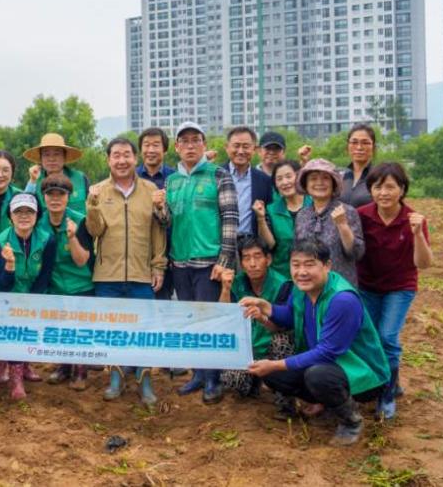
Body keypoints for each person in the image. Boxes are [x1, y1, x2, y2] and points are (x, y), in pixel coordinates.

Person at [240, 239, 389, 446]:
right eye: (296, 264)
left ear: (327, 265)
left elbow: (327, 352)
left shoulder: (342, 299)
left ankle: (351, 420)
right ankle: (326, 400)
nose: (301, 271)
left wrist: (274, 364)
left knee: (316, 375)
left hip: (362, 373)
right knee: (276, 376)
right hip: (329, 366)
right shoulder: (300, 290)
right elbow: (290, 316)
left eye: (309, 264)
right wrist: (265, 307)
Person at [85, 137, 168, 407]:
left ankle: (145, 381)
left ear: (135, 158)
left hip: (141, 274)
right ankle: (116, 378)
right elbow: (95, 231)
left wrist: (158, 265)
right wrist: (93, 205)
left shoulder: (150, 189)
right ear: (108, 160)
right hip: (107, 275)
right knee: (112, 330)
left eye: (126, 155)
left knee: (144, 329)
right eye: (116, 155)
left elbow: (158, 231)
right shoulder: (98, 191)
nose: (121, 160)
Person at [166, 122, 238, 404]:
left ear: (204, 144)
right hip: (180, 263)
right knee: (191, 321)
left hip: (209, 263)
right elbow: (169, 222)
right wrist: (160, 210)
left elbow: (231, 217)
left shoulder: (218, 175)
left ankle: (213, 379)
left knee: (210, 321)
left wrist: (225, 259)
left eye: (196, 140)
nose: (190, 145)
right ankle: (197, 374)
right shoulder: (172, 181)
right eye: (184, 141)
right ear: (177, 147)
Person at [357, 162, 433, 419]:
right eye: (378, 187)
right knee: (371, 338)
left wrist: (417, 235)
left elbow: (423, 264)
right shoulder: (362, 215)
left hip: (400, 287)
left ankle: (386, 395)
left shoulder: (413, 219)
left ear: (402, 189)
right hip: (367, 286)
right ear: (371, 190)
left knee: (387, 337)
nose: (384, 193)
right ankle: (390, 381)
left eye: (390, 187)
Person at [0, 193, 58, 400]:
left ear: (37, 215)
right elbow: (1, 282)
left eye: (29, 211)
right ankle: (15, 378)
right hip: (9, 296)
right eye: (18, 211)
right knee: (14, 334)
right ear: (10, 216)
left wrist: (34, 299)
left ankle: (25, 366)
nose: (23, 216)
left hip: (34, 294)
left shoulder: (48, 239)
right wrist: (10, 268)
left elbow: (46, 272)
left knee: (30, 332)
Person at [37, 174, 94, 390]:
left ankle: (80, 371)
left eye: (60, 194)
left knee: (80, 329)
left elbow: (81, 261)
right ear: (44, 197)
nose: (55, 199)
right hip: (55, 285)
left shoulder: (80, 221)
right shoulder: (39, 222)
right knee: (60, 328)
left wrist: (72, 237)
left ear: (68, 197)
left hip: (80, 284)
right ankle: (63, 367)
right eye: (50, 194)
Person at [219, 238, 293, 398]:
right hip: (247, 348)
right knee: (232, 380)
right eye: (246, 258)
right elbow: (224, 318)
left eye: (258, 256)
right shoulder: (236, 282)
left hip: (272, 350)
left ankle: (281, 392)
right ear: (242, 263)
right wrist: (225, 289)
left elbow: (283, 327)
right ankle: (255, 381)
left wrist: (262, 318)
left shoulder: (283, 285)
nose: (252, 263)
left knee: (283, 341)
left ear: (268, 259)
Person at [295, 159, 364, 286]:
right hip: (309, 287)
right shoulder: (302, 215)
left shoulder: (347, 211)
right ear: (306, 184)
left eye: (325, 178)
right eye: (313, 178)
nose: (319, 183)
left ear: (333, 183)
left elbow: (356, 253)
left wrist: (342, 225)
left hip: (339, 287)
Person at [136, 127, 177, 302]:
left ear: (165, 149)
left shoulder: (175, 179)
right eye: (146, 145)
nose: (151, 150)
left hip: (167, 253)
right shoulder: (132, 177)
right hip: (137, 251)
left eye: (156, 145)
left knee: (162, 303)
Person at [254, 160, 312, 281]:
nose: (285, 182)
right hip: (282, 275)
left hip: (312, 272)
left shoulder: (314, 204)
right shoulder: (271, 209)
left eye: (288, 176)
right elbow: (270, 244)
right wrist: (260, 218)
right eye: (279, 179)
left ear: (298, 177)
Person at [23, 133, 90, 216]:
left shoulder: (80, 178)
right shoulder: (35, 181)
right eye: (46, 155)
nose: (51, 159)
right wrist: (32, 181)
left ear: (64, 156)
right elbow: (24, 207)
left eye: (56, 154)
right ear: (41, 159)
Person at [225, 126, 273, 238]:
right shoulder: (216, 175)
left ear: (254, 149)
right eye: (236, 146)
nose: (241, 151)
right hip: (222, 243)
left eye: (246, 146)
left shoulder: (264, 180)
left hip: (252, 245)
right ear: (227, 148)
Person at [340, 123, 376, 208]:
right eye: (354, 142)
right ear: (347, 146)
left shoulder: (378, 176)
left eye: (365, 143)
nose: (359, 147)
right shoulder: (339, 175)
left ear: (373, 147)